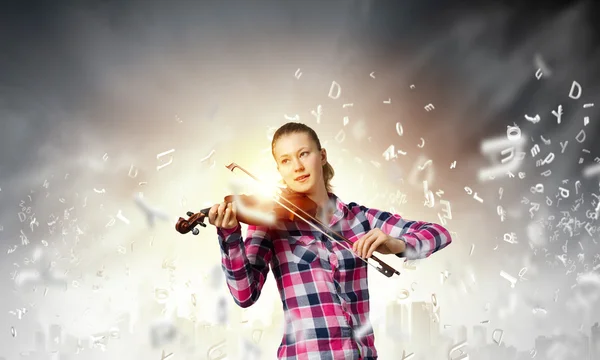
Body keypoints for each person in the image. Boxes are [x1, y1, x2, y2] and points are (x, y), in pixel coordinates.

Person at [208, 122, 452, 360]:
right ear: (279, 170)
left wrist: (397, 244)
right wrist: (230, 236)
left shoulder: (359, 218)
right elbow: (244, 295)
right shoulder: (269, 223)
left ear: (322, 156)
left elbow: (439, 233)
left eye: (304, 154)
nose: (297, 167)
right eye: (286, 161)